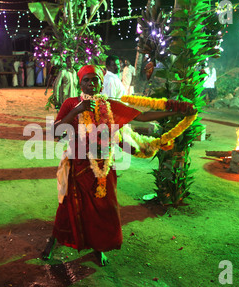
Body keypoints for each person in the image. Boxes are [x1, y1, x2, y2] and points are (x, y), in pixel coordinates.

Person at [42, 65, 192, 266]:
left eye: (95, 79)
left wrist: (175, 111)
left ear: (101, 83)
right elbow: (55, 132)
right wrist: (78, 110)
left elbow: (142, 116)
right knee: (67, 208)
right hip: (77, 166)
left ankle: (98, 247)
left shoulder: (110, 105)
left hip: (104, 168)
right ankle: (53, 240)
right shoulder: (71, 103)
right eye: (86, 80)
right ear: (80, 82)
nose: (91, 83)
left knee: (104, 210)